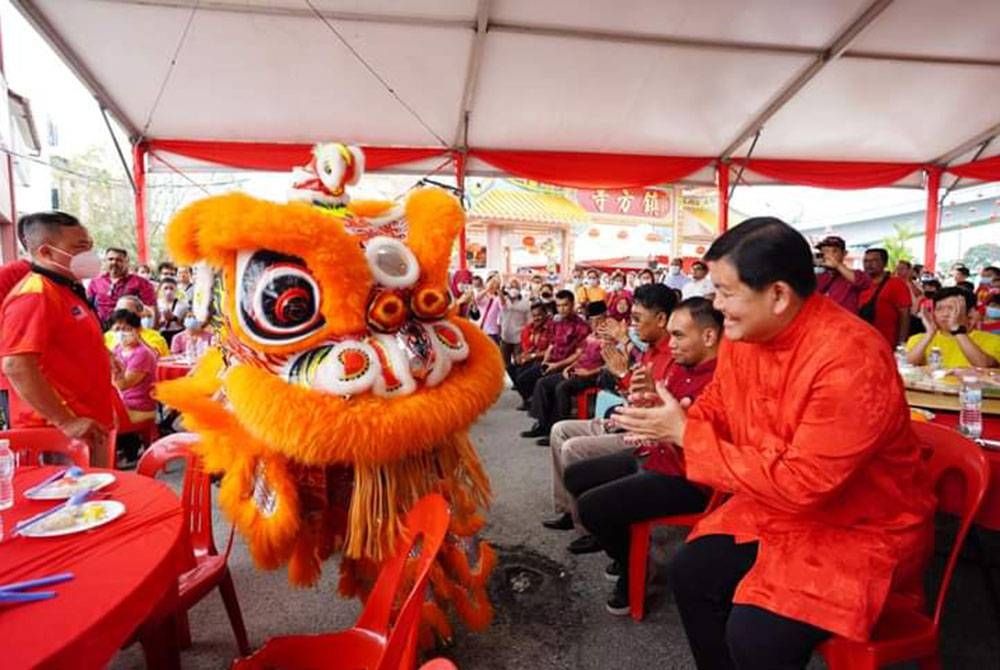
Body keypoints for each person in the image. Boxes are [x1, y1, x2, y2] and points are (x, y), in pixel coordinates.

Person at [614, 217, 933, 670]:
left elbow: (807, 483)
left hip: (859, 527)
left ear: (778, 295)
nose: (716, 304)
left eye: (725, 292)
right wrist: (673, 419)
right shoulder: (746, 338)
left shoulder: (851, 358)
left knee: (757, 637)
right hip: (775, 505)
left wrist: (685, 434)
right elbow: (718, 408)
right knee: (692, 571)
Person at [565, 297, 722, 615]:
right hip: (657, 456)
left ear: (709, 337)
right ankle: (625, 550)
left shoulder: (721, 380)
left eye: (679, 335)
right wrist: (640, 396)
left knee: (592, 506)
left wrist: (663, 420)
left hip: (688, 478)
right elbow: (655, 413)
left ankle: (636, 568)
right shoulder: (681, 368)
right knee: (576, 475)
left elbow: (706, 447)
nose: (672, 343)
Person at [542, 284, 680, 534]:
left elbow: (652, 406)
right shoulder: (649, 350)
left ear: (662, 319)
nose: (632, 325)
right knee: (559, 430)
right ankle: (568, 511)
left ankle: (586, 525)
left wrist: (624, 370)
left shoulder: (674, 355)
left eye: (637, 319)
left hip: (645, 435)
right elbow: (634, 392)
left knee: (573, 448)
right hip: (629, 419)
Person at [0, 212, 113, 465]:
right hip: (59, 433)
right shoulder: (35, 295)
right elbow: (16, 365)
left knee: (96, 500)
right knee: (74, 503)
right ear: (46, 252)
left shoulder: (66, 289)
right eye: (79, 247)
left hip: (88, 424)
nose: (89, 255)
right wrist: (66, 421)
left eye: (90, 246)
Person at [528, 301, 608, 447]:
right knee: (543, 382)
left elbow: (609, 366)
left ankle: (560, 432)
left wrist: (588, 372)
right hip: (577, 371)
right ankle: (543, 425)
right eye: (592, 320)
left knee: (562, 388)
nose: (596, 324)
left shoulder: (610, 339)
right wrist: (569, 367)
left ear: (606, 319)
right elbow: (581, 355)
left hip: (594, 376)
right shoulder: (590, 336)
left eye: (599, 320)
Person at [518, 290, 589, 438]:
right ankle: (542, 421)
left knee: (546, 385)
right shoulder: (557, 323)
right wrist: (545, 362)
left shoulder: (581, 326)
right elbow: (551, 345)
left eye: (565, 305)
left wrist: (556, 366)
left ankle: (550, 428)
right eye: (558, 305)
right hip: (552, 362)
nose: (562, 309)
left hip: (568, 367)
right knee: (525, 378)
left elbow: (578, 354)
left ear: (573, 304)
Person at [906, 287, 999, 368]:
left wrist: (957, 329)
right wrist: (929, 334)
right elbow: (907, 365)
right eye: (939, 309)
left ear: (970, 312)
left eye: (951, 309)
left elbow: (984, 367)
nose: (944, 314)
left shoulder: (993, 341)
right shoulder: (918, 339)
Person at [109, 309, 159, 424]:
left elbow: (122, 385)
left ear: (137, 330)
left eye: (126, 329)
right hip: (120, 402)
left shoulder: (142, 354)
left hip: (138, 406)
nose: (121, 333)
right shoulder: (117, 349)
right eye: (117, 329)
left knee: (103, 420)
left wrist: (111, 368)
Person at [87, 246, 157, 326]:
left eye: (119, 260)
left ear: (127, 262)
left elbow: (151, 310)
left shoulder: (141, 283)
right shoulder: (95, 282)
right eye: (110, 259)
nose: (114, 262)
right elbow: (88, 307)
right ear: (105, 261)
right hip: (102, 328)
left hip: (130, 328)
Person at [859, 247, 912, 347]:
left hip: (886, 342)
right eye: (865, 261)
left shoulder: (896, 284)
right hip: (862, 340)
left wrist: (901, 344)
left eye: (874, 261)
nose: (868, 264)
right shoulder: (859, 284)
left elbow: (905, 316)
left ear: (885, 263)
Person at [507, 303, 553, 402]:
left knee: (522, 377)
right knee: (511, 367)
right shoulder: (532, 327)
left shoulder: (552, 328)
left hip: (545, 360)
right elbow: (530, 346)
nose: (537, 318)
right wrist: (522, 356)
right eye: (534, 316)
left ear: (546, 314)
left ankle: (531, 399)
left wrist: (532, 356)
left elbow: (552, 350)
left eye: (539, 315)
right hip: (533, 358)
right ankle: (528, 398)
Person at [814, 235, 871, 313]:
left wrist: (837, 265)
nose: (828, 255)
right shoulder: (818, 276)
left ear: (844, 253)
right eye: (825, 251)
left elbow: (865, 283)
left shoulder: (853, 275)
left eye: (834, 251)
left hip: (845, 323)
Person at [104, 295, 170, 356]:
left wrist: (139, 340)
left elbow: (154, 356)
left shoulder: (153, 336)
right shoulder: (108, 336)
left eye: (126, 312)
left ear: (140, 314)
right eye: (117, 311)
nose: (120, 315)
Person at [498, 279, 530, 368]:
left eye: (516, 287)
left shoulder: (525, 303)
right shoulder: (503, 300)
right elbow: (500, 317)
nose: (513, 289)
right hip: (505, 337)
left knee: (518, 362)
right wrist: (500, 291)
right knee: (504, 363)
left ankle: (517, 380)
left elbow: (529, 321)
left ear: (520, 289)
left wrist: (526, 336)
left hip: (519, 338)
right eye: (511, 287)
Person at [156, 277, 189, 346]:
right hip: (162, 334)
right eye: (165, 288)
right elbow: (153, 326)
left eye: (171, 288)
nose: (168, 291)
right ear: (160, 290)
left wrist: (174, 318)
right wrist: (163, 320)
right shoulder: (156, 305)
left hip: (178, 333)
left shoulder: (183, 305)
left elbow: (187, 325)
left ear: (176, 290)